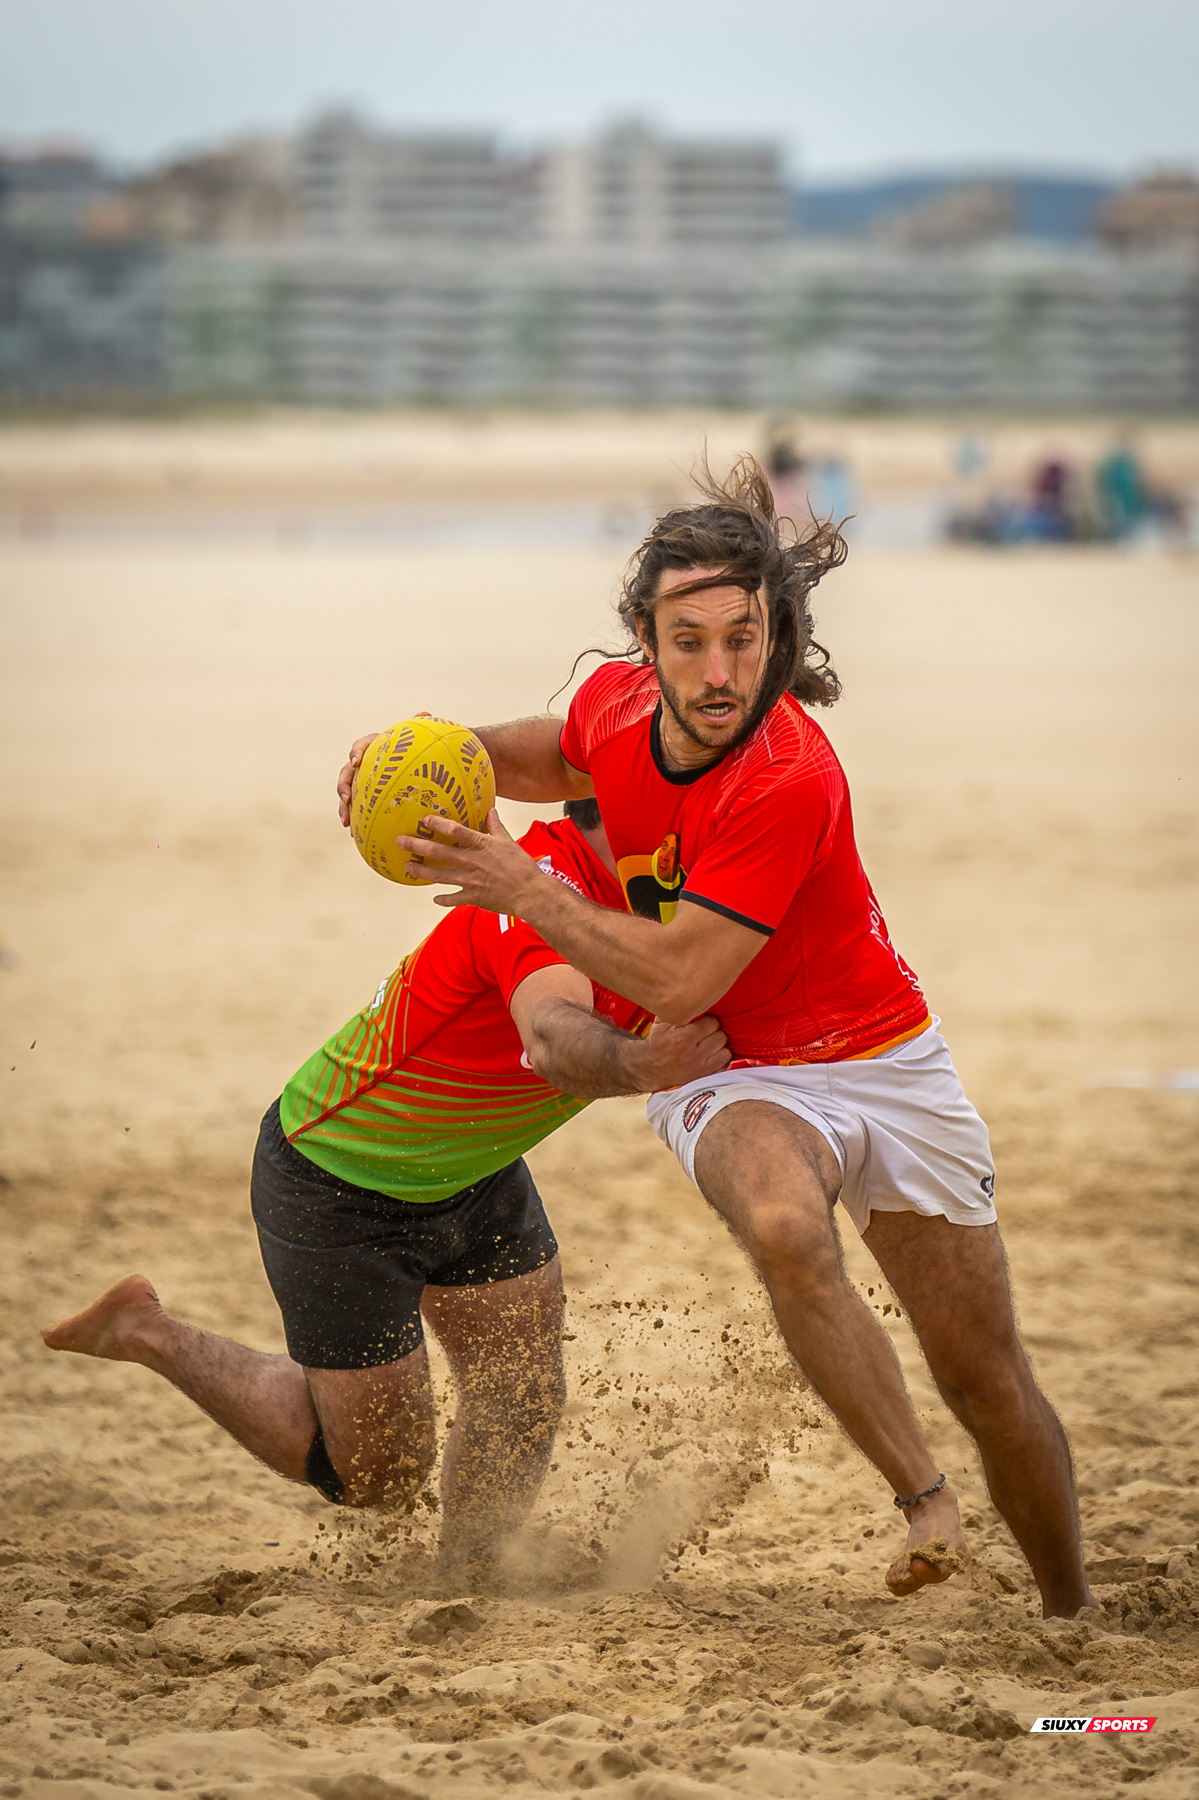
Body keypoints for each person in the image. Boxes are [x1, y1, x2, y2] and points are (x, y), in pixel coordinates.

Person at [340, 457, 1097, 1618]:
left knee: (985, 1379)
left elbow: (679, 969)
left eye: (742, 640)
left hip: (883, 1059)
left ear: (775, 637)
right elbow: (556, 754)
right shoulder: (617, 705)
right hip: (728, 1064)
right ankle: (924, 1498)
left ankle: (1070, 1618)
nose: (716, 671)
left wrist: (520, 886)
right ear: (645, 644)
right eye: (686, 642)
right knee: (786, 1225)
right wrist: (423, 751)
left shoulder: (787, 776)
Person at [42, 802, 728, 1579]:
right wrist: (645, 1066)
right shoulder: (536, 891)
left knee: (521, 1389)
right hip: (337, 1176)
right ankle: (146, 1331)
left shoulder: (670, 901)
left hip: (473, 1164)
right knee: (379, 1478)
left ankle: (471, 1577)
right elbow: (549, 1035)